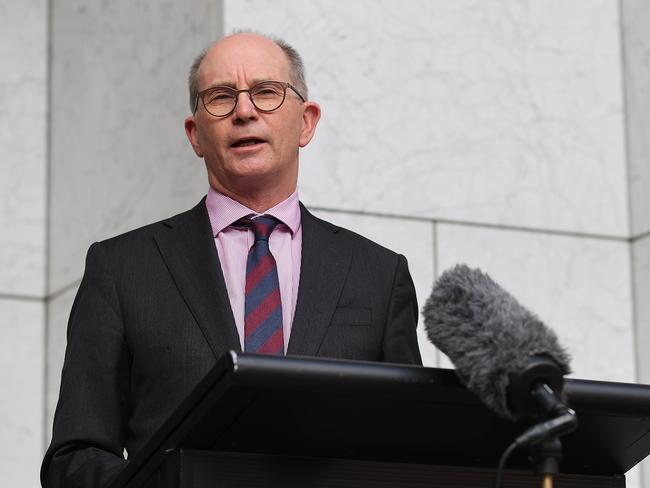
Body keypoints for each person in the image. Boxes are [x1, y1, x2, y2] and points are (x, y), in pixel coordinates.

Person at [41, 31, 421, 488]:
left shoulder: (378, 276)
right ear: (194, 134)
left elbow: (412, 454)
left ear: (307, 121)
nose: (244, 111)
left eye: (266, 92)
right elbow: (75, 459)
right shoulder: (121, 270)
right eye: (221, 97)